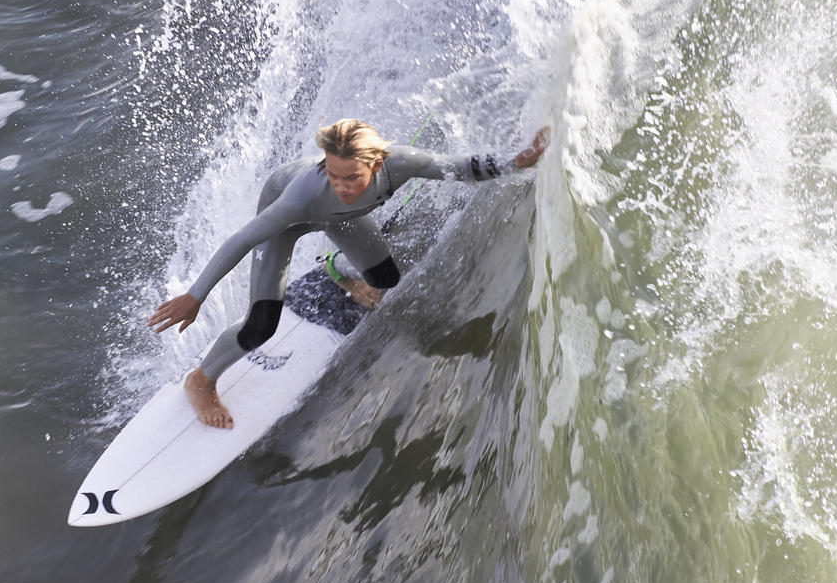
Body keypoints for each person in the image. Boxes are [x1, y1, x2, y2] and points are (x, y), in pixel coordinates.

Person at [148, 119, 550, 428]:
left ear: (378, 164)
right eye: (332, 175)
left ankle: (334, 268)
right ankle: (202, 380)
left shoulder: (402, 162)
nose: (341, 185)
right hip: (290, 224)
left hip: (342, 221)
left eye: (352, 178)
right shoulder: (302, 194)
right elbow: (243, 239)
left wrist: (515, 162)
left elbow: (456, 167)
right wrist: (196, 295)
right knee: (261, 326)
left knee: (387, 279)